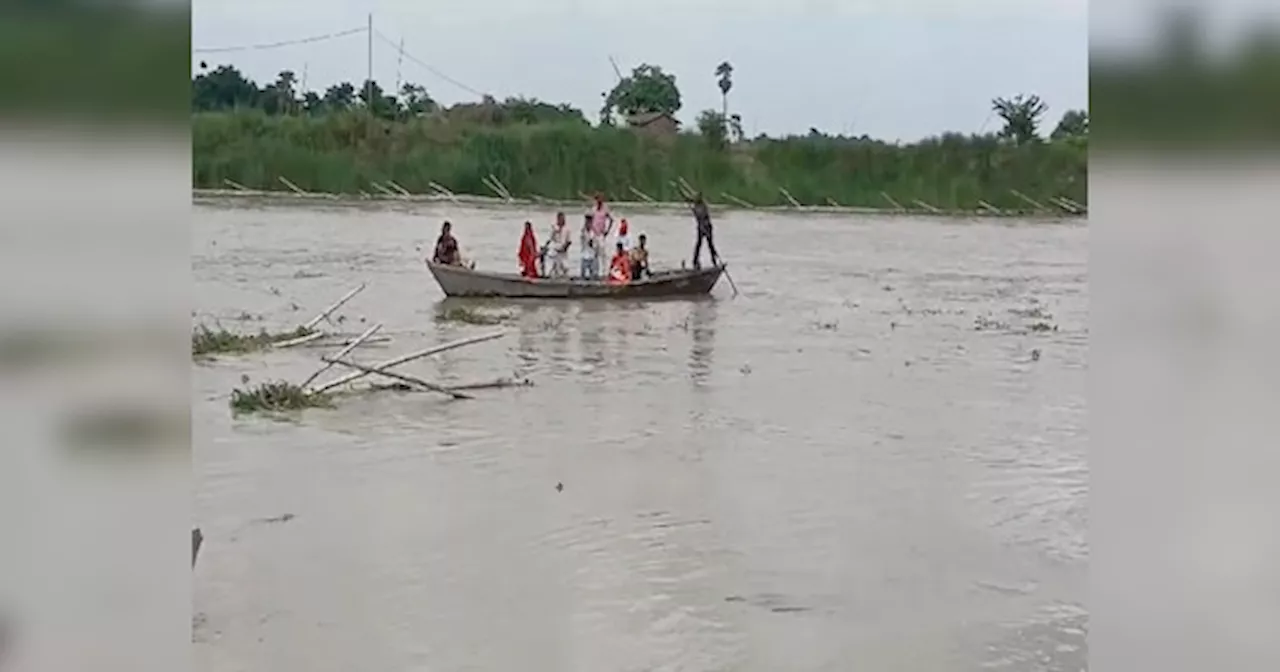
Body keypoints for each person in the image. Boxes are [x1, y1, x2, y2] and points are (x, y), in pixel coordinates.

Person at [688, 192, 721, 269]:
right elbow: (688, 198)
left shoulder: (703, 206)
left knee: (710, 244)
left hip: (706, 227)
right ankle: (695, 261)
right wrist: (680, 191)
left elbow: (702, 216)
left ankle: (714, 260)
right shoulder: (696, 205)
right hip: (700, 227)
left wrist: (705, 230)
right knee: (698, 245)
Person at [589, 192, 614, 275]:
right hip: (594, 233)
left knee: (603, 253)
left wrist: (607, 230)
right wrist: (590, 232)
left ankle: (604, 272)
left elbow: (611, 220)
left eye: (600, 199)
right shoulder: (593, 209)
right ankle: (595, 272)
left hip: (601, 234)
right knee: (594, 254)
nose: (599, 201)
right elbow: (590, 220)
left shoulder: (605, 209)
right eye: (597, 199)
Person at [547, 212, 572, 277]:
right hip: (555, 250)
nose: (562, 220)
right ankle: (552, 278)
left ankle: (565, 279)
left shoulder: (567, 229)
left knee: (565, 267)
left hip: (563, 250)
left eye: (563, 219)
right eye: (560, 219)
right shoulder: (554, 228)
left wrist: (565, 248)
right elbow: (550, 239)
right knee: (554, 266)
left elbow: (569, 241)